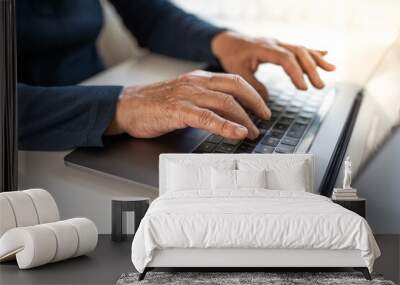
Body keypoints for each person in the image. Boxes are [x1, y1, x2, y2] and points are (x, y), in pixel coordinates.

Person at [17, 0, 335, 150]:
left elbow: (147, 13)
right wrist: (122, 105)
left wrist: (222, 41)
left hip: (104, 107)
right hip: (37, 143)